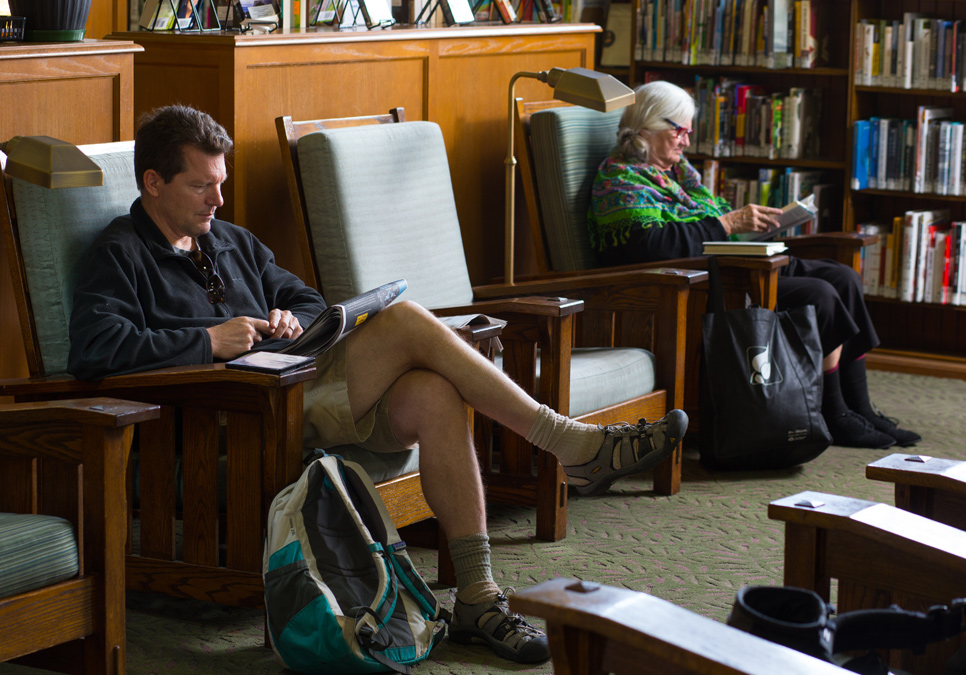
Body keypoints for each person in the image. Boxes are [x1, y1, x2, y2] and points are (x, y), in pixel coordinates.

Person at [67, 104, 689, 665]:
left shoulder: (229, 241)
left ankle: (477, 594)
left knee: (433, 393)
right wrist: (208, 341)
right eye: (202, 185)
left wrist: (293, 319)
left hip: (296, 385)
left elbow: (308, 299)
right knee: (403, 320)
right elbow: (95, 351)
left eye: (221, 183)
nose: (218, 200)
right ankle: (566, 442)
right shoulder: (120, 253)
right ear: (153, 182)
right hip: (227, 416)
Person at [587, 80, 920, 450]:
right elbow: (651, 246)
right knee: (820, 295)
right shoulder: (619, 178)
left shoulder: (678, 174)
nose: (685, 141)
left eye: (688, 132)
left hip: (733, 262)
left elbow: (704, 229)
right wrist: (729, 224)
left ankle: (861, 407)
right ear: (647, 127)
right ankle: (836, 412)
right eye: (679, 131)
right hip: (700, 284)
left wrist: (750, 229)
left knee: (842, 277)